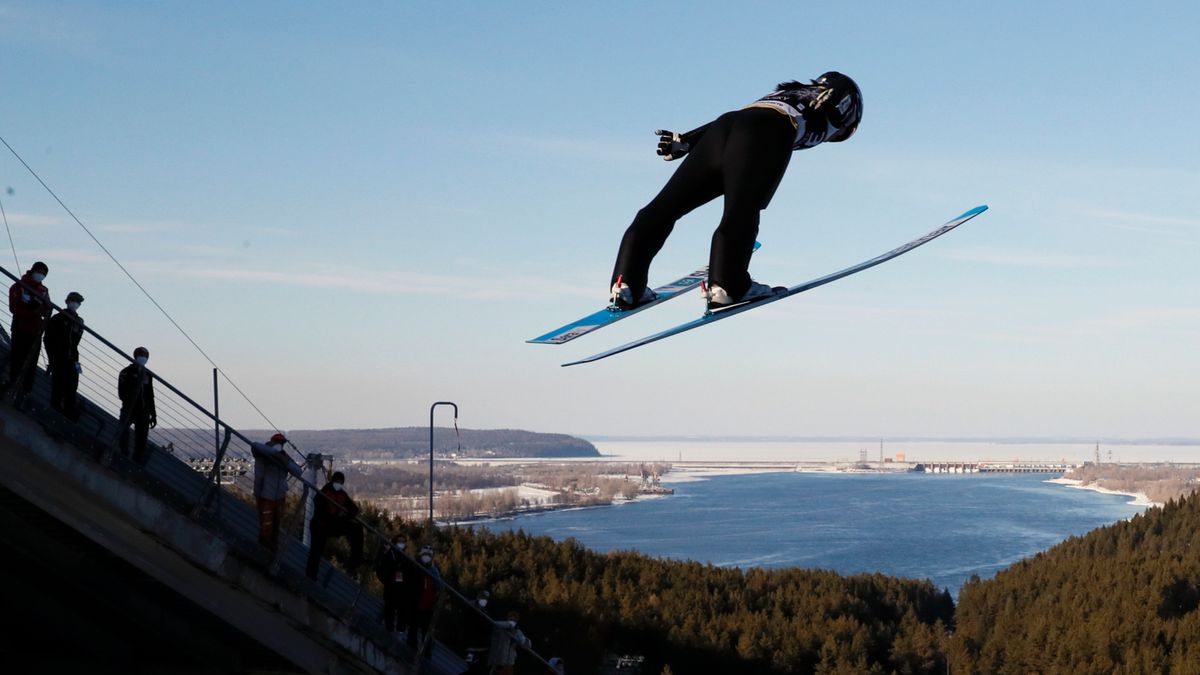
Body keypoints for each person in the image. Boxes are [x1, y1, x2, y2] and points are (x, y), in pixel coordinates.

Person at [609, 73, 863, 312]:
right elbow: (839, 84)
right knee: (742, 208)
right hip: (766, 132)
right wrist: (835, 93)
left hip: (724, 128)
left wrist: (688, 140)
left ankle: (627, 284)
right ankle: (729, 286)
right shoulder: (830, 104)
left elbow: (745, 118)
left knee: (666, 207)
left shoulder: (792, 95)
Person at [305, 470, 364, 579]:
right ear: (333, 481)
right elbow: (319, 509)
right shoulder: (325, 492)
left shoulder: (342, 494)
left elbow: (354, 509)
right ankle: (310, 577)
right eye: (337, 481)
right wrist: (338, 517)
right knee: (316, 552)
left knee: (356, 528)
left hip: (332, 524)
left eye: (341, 482)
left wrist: (344, 516)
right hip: (320, 526)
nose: (339, 484)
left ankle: (355, 562)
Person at [6, 261, 51, 398]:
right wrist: (33, 311)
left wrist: (41, 310)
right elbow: (14, 308)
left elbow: (47, 307)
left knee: (31, 364)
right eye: (39, 272)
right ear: (33, 271)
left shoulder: (43, 290)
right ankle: (13, 386)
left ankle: (26, 392)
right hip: (20, 327)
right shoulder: (19, 286)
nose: (41, 275)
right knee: (17, 359)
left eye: (44, 274)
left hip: (35, 331)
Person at [251, 432, 300, 552]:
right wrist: (275, 454)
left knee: (276, 526)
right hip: (266, 495)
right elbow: (255, 446)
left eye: (281, 443)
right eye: (278, 443)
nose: (280, 445)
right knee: (266, 526)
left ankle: (272, 550)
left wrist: (282, 459)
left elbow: (297, 470)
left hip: (278, 496)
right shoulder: (263, 454)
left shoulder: (284, 457)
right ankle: (263, 550)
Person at [43, 291, 85, 418]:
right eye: (73, 300)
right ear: (67, 301)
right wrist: (53, 357)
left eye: (78, 302)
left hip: (73, 358)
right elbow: (48, 339)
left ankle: (68, 416)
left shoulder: (79, 321)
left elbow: (76, 341)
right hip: (59, 358)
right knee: (58, 387)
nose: (75, 303)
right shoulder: (58, 318)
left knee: (71, 389)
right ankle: (54, 415)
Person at [117, 346, 156, 464]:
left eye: (145, 356)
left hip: (144, 411)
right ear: (135, 356)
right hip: (129, 409)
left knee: (142, 439)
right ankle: (123, 455)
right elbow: (121, 393)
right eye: (140, 355)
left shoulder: (148, 375)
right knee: (123, 432)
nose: (143, 358)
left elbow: (150, 395)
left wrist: (153, 414)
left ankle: (137, 461)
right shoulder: (126, 372)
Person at [374, 535, 420, 635]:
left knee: (401, 612)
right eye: (400, 541)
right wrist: (388, 581)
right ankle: (388, 631)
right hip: (390, 589)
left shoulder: (404, 557)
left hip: (402, 591)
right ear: (395, 542)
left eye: (403, 541)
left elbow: (410, 573)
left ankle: (400, 632)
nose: (402, 543)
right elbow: (380, 571)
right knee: (389, 611)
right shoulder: (388, 556)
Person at [408, 544, 442, 657]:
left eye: (429, 555)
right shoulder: (414, 566)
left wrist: (435, 598)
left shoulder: (434, 570)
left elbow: (439, 587)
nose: (427, 557)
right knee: (413, 628)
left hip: (428, 606)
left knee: (426, 632)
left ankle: (426, 654)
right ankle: (411, 650)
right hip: (415, 603)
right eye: (425, 554)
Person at [488, 610, 531, 675]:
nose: (513, 622)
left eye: (515, 620)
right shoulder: (500, 628)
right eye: (511, 619)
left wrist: (525, 641)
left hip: (510, 663)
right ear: (507, 619)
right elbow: (496, 623)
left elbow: (527, 645)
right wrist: (510, 625)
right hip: (498, 662)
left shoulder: (517, 631)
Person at [460, 590, 492, 673]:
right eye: (483, 597)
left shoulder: (485, 612)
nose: (485, 600)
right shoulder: (472, 607)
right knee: (471, 666)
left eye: (486, 599)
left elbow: (487, 627)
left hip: (481, 646)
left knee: (479, 669)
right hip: (472, 645)